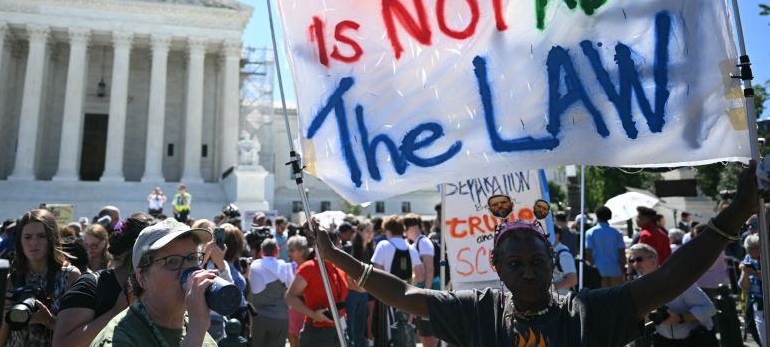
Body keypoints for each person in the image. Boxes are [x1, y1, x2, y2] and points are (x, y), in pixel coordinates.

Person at [310, 162, 759, 347]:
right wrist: (333, 255)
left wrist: (735, 214)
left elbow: (670, 279)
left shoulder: (586, 312)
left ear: (553, 262)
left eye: (537, 262)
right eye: (517, 264)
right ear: (496, 268)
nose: (528, 271)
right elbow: (404, 292)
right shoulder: (477, 311)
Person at [89, 218, 219, 346]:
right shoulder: (118, 339)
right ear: (141, 277)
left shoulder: (200, 332)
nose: (188, 272)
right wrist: (195, 334)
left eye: (192, 258)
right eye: (172, 261)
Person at [53, 213, 156, 347]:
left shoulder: (158, 287)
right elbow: (62, 343)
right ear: (136, 251)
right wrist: (115, 311)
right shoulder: (91, 285)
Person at [0, 209, 81, 347]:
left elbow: (79, 337)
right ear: (20, 241)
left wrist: (48, 321)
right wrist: (4, 315)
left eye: (41, 236)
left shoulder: (69, 276)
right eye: (27, 237)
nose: (34, 243)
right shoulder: (11, 280)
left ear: (51, 238)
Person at [628, 243, 717, 346]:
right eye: (631, 261)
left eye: (639, 259)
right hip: (662, 339)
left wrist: (681, 318)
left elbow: (709, 308)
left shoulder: (678, 280)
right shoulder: (638, 285)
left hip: (694, 340)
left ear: (653, 261)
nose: (635, 264)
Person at [285, 227, 349, 347]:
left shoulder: (339, 268)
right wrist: (313, 315)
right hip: (317, 333)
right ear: (329, 246)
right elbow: (290, 297)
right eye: (339, 244)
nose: (342, 248)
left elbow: (359, 287)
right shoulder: (309, 268)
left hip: (339, 331)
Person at [370, 215, 423, 346]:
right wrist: (408, 282)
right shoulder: (411, 248)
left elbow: (376, 271)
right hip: (407, 298)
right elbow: (420, 275)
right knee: (405, 337)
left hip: (386, 297)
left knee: (386, 338)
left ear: (387, 230)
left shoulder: (383, 245)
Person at [249, 238, 295, 347]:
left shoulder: (254, 267)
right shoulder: (285, 267)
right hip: (280, 317)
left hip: (259, 317)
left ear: (261, 251)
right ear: (277, 250)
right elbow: (291, 287)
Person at [404, 213, 438, 347]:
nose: (405, 232)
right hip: (424, 293)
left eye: (406, 228)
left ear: (415, 227)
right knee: (423, 333)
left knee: (428, 335)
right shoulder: (418, 243)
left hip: (428, 294)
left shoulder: (423, 242)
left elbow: (430, 269)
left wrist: (426, 294)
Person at [344, 221, 373, 347]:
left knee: (360, 326)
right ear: (359, 232)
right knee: (351, 326)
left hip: (363, 292)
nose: (370, 234)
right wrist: (361, 289)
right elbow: (348, 275)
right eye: (367, 231)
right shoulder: (352, 249)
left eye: (372, 231)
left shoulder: (370, 249)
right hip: (352, 292)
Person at [585, 206, 626, 287]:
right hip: (616, 270)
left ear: (597, 216)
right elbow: (622, 253)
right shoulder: (617, 233)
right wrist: (623, 269)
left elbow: (589, 254)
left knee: (601, 297)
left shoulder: (590, 232)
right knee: (616, 297)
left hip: (598, 271)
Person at [740, 233, 765, 347]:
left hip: (765, 300)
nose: (755, 259)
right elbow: (744, 287)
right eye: (752, 255)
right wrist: (746, 272)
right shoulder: (748, 259)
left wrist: (760, 275)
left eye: (758, 256)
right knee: (752, 327)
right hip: (756, 301)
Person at [286, 235, 310, 347]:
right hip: (293, 311)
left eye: (292, 250)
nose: (289, 253)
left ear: (301, 251)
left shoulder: (309, 267)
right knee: (293, 338)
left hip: (305, 311)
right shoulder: (292, 266)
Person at [552, 228, 578, 296]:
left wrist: (549, 288)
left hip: (561, 301)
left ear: (557, 235)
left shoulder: (563, 254)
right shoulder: (549, 251)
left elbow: (572, 280)